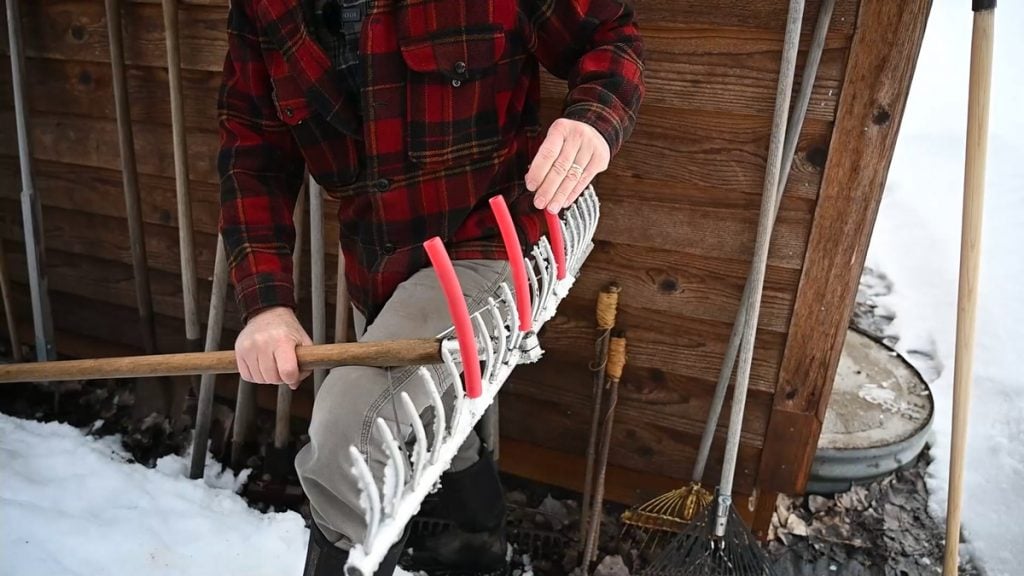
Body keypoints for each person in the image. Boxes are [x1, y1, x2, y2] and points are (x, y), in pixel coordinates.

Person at [217, 0, 644, 574]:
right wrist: (266, 304)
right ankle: (479, 539)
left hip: (490, 238)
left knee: (354, 434)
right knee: (422, 414)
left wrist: (595, 115)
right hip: (377, 262)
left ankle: (354, 557)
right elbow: (255, 151)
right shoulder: (266, 8)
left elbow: (609, 34)